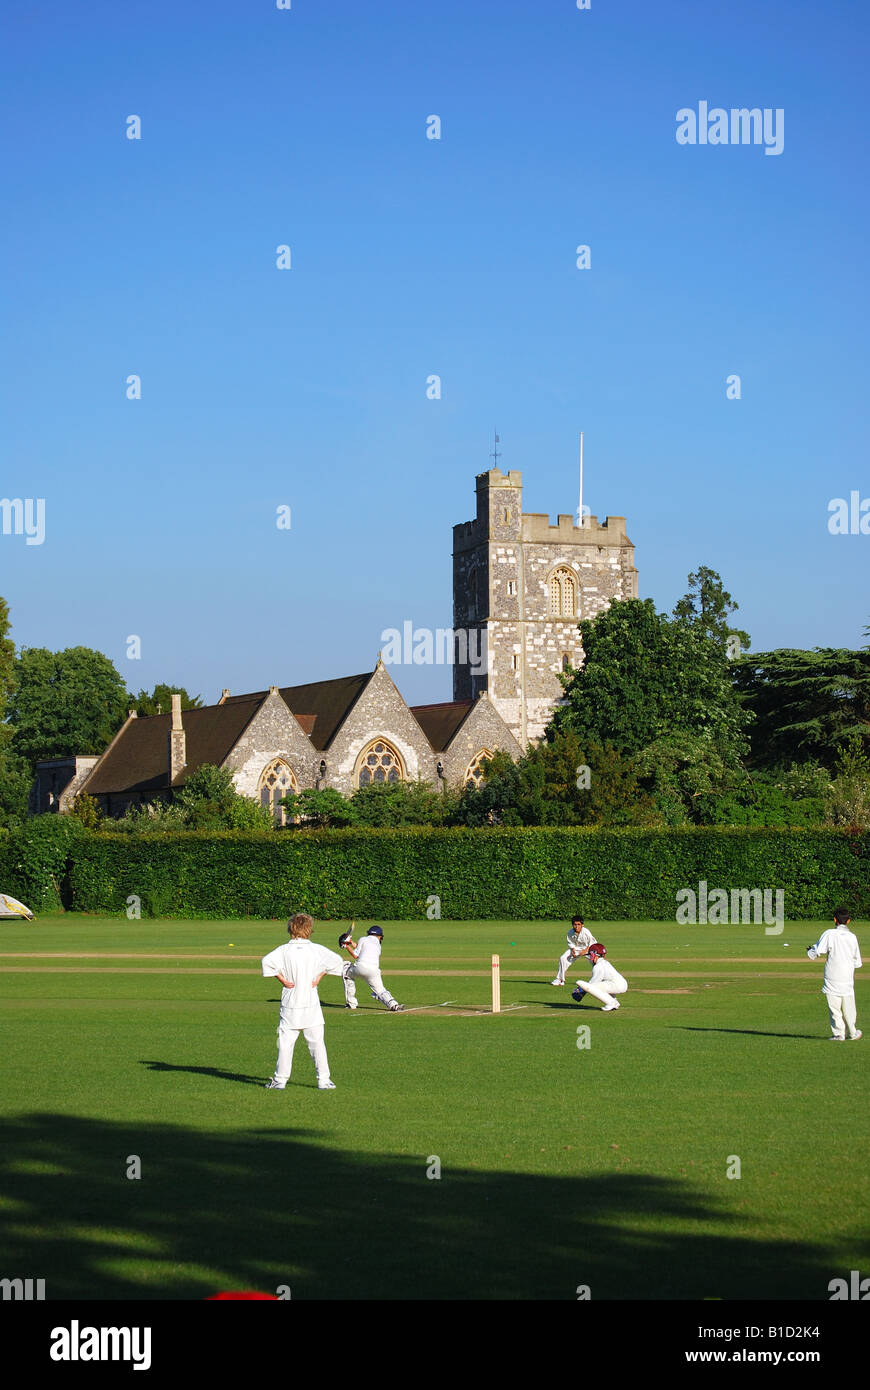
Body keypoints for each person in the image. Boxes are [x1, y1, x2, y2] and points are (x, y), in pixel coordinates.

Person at [261, 912, 346, 1090]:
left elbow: (267, 962)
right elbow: (338, 961)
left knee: (286, 1044)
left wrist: (283, 979)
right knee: (316, 1044)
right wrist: (320, 975)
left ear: (291, 928)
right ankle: (324, 1080)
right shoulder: (316, 949)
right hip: (310, 1004)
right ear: (309, 929)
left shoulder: (283, 950)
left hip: (291, 1003)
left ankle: (280, 1081)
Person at [806, 908, 862, 1041]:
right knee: (848, 1005)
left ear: (834, 920)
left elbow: (817, 951)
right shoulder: (852, 937)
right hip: (847, 976)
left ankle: (839, 1034)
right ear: (848, 921)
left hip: (832, 974)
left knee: (834, 1006)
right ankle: (853, 1032)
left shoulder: (829, 934)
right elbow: (857, 962)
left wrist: (810, 951)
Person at [340, 924, 404, 1011]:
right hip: (374, 971)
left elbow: (356, 955)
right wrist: (350, 941)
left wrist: (346, 945)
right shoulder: (378, 945)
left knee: (345, 969)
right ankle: (394, 1005)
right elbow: (361, 949)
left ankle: (351, 1004)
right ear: (379, 936)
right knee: (381, 990)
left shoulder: (363, 939)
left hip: (360, 968)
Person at [571, 943, 627, 1012]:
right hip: (620, 984)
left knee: (594, 986)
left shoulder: (598, 966)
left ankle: (611, 1003)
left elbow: (592, 984)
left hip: (618, 985)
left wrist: (581, 991)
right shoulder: (604, 963)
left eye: (590, 955)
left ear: (593, 955)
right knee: (603, 984)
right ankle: (614, 1002)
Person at [551, 914, 595, 986]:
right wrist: (572, 950)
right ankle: (560, 979)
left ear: (582, 925)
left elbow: (592, 943)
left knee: (596, 962)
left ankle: (601, 980)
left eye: (579, 924)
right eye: (575, 924)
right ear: (572, 925)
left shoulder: (586, 932)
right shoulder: (570, 932)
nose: (577, 926)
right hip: (577, 948)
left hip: (590, 948)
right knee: (563, 958)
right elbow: (570, 942)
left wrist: (585, 951)